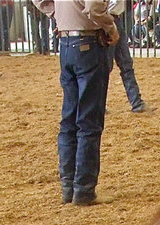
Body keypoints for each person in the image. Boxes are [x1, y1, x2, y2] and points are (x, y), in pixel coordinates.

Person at [31, 0, 118, 206]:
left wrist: (59, 15)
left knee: (69, 119)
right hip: (89, 44)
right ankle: (84, 189)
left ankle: (68, 186)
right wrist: (111, 27)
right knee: (89, 120)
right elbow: (94, 7)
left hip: (66, 43)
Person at [108, 0, 147, 112]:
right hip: (108, 19)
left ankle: (136, 103)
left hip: (116, 19)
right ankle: (97, 104)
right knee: (106, 67)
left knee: (126, 63)